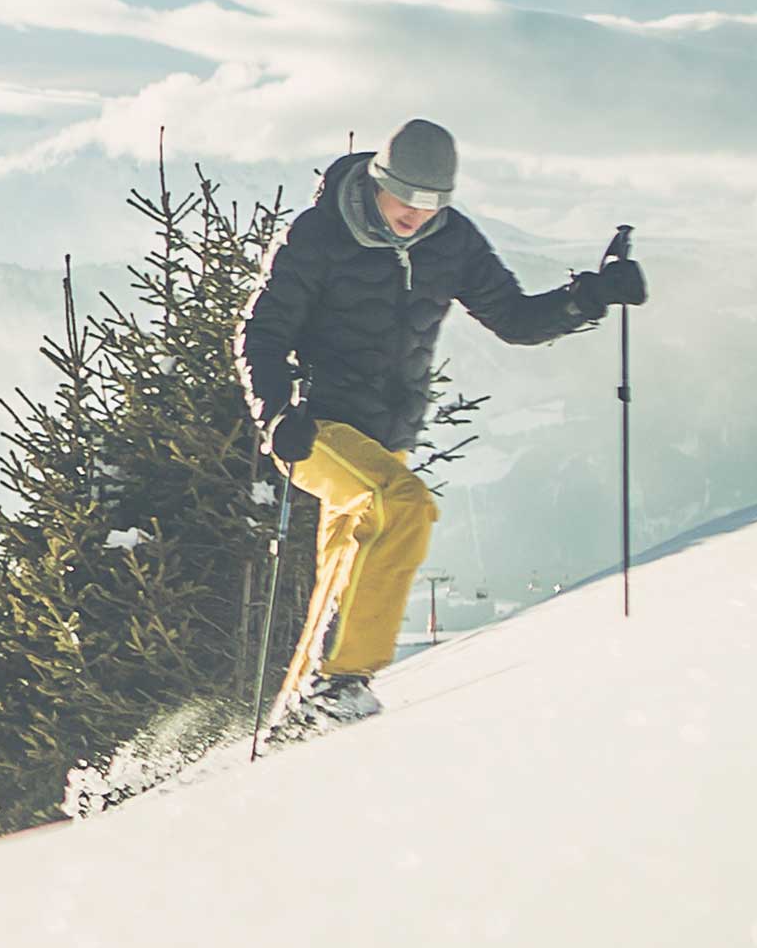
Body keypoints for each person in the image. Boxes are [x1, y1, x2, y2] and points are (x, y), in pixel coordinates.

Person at [237, 118, 646, 735]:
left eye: (433, 202)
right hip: (316, 425)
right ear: (379, 181)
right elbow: (261, 334)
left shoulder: (451, 242)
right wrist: (274, 414)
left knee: (347, 567)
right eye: (406, 197)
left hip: (388, 435)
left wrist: (587, 297)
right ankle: (342, 682)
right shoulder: (318, 236)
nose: (416, 214)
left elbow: (513, 319)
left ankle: (296, 718)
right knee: (403, 505)